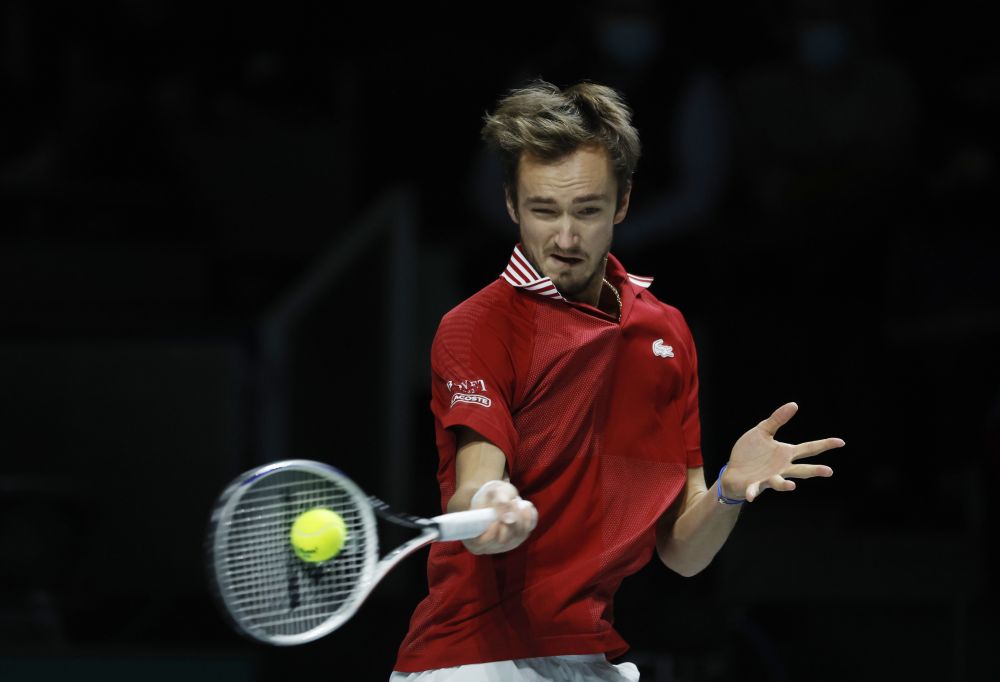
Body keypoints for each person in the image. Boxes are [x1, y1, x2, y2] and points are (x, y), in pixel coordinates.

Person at [391, 80, 844, 681]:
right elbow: (476, 484)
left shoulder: (665, 333)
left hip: (589, 658)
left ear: (623, 202)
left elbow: (683, 553)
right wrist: (491, 506)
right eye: (543, 211)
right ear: (510, 204)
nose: (566, 239)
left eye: (587, 209)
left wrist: (729, 491)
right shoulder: (477, 326)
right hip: (474, 659)